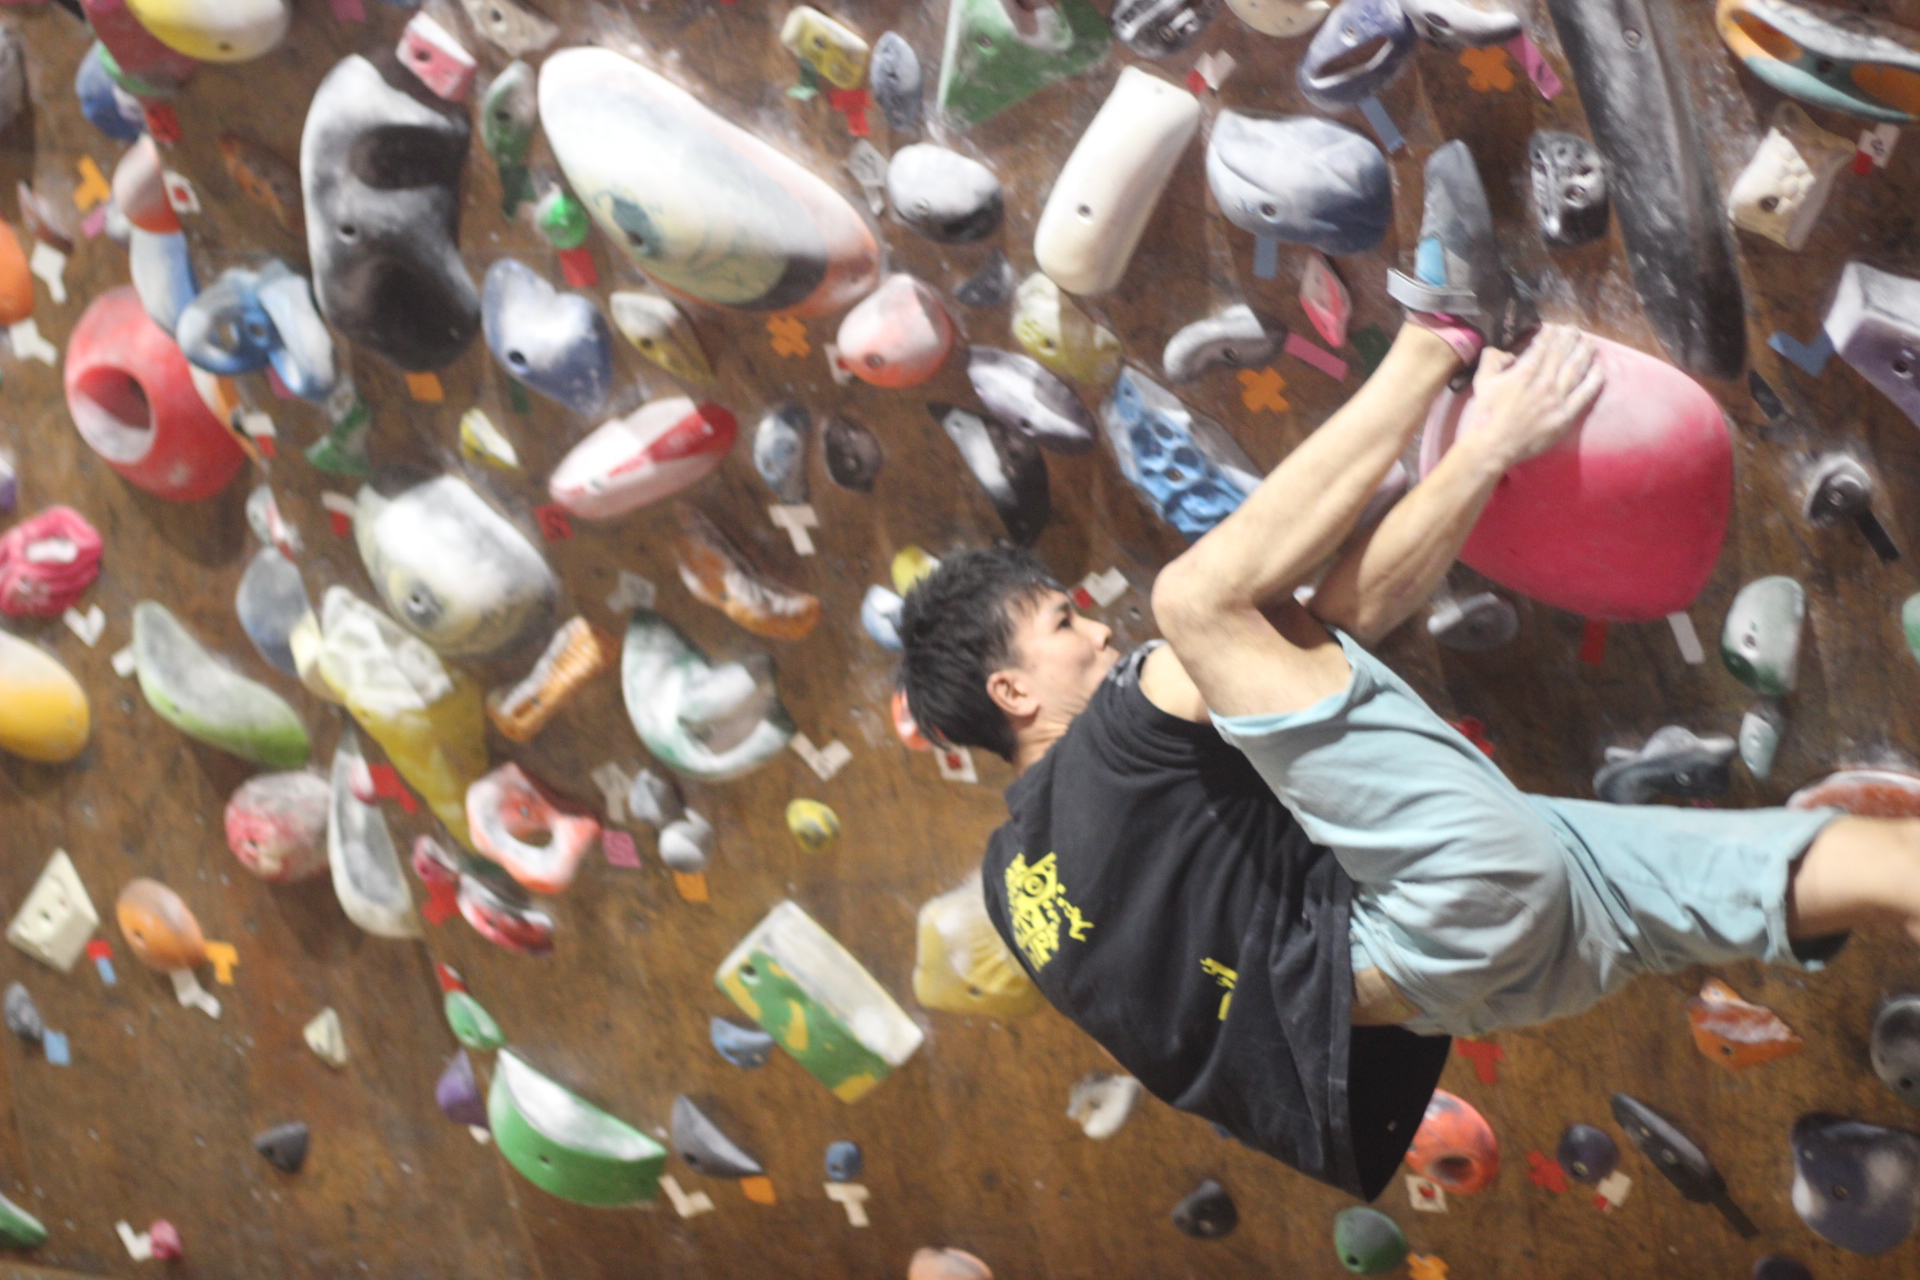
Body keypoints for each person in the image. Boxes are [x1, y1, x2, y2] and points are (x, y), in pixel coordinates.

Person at [894, 145, 1920, 1201]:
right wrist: (1468, 421)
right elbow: (1243, 612)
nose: (1096, 635)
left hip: (1471, 980)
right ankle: (1441, 329)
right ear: (1014, 692)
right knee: (1192, 603)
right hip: (1424, 916)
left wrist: (1481, 456)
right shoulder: (1112, 741)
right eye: (1063, 623)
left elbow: (1332, 626)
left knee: (1879, 863)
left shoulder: (1020, 890)